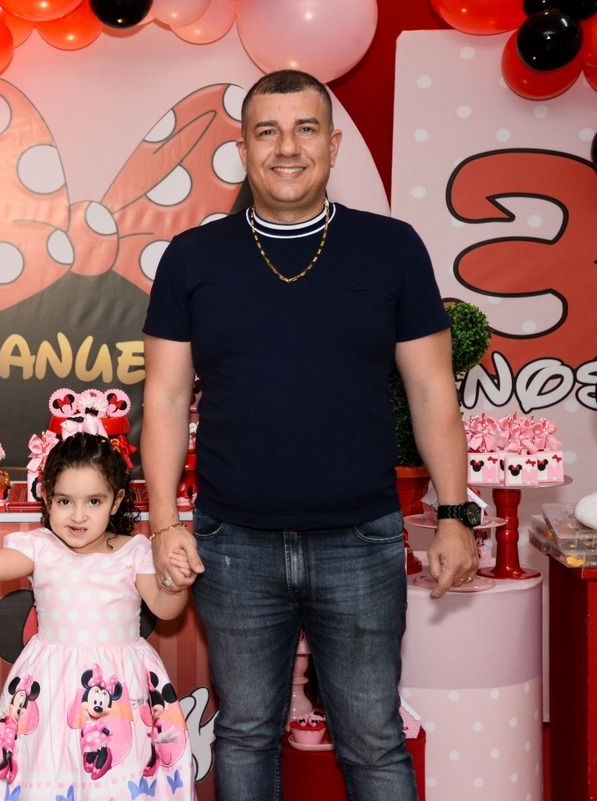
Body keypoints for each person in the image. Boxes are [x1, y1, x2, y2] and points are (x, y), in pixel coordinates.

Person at [140, 69, 478, 801]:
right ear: (243, 149)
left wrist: (454, 513)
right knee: (244, 733)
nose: (286, 147)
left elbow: (432, 391)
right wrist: (165, 522)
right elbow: (163, 397)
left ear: (333, 143)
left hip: (360, 539)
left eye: (304, 129)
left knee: (374, 739)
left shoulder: (392, 248)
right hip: (232, 544)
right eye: (267, 131)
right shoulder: (192, 258)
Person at [0, 431, 196, 800]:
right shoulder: (40, 547)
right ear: (46, 497)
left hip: (120, 691)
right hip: (50, 687)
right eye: (65, 501)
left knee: (121, 779)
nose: (78, 515)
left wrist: (175, 585)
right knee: (48, 768)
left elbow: (165, 608)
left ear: (116, 501)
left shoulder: (134, 551)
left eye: (94, 501)